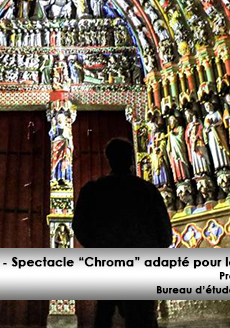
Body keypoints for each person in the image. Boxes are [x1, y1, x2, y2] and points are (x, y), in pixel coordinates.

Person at [73, 138, 171, 328]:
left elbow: (79, 226)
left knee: (104, 314)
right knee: (143, 316)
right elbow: (165, 233)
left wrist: (98, 247)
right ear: (132, 160)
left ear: (108, 159)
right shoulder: (148, 190)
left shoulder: (94, 190)